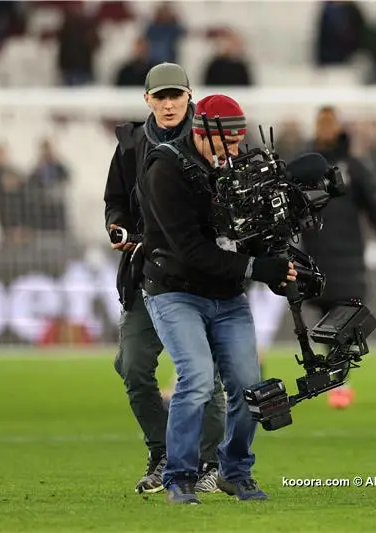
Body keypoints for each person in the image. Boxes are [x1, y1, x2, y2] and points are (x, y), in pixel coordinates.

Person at [137, 94, 297, 504]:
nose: (233, 152)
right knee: (196, 378)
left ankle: (234, 470)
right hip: (175, 290)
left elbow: (253, 232)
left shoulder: (237, 167)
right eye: (226, 143)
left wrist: (278, 261)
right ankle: (180, 476)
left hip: (226, 295)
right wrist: (255, 268)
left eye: (238, 143)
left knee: (249, 384)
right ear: (202, 131)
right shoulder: (165, 168)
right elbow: (190, 251)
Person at [103, 62, 226, 495]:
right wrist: (117, 227)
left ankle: (209, 462)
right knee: (133, 366)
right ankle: (162, 454)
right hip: (144, 272)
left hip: (197, 277)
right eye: (161, 96)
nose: (169, 103)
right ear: (147, 100)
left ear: (190, 96)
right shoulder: (131, 144)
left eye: (176, 95)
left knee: (204, 375)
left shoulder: (211, 139)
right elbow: (115, 200)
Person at [304, 105, 376, 408]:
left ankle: (339, 379)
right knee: (325, 319)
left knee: (346, 314)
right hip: (316, 254)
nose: (325, 128)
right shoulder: (305, 165)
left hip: (348, 254)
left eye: (330, 122)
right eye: (321, 122)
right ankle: (336, 375)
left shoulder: (353, 165)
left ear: (337, 127)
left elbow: (375, 209)